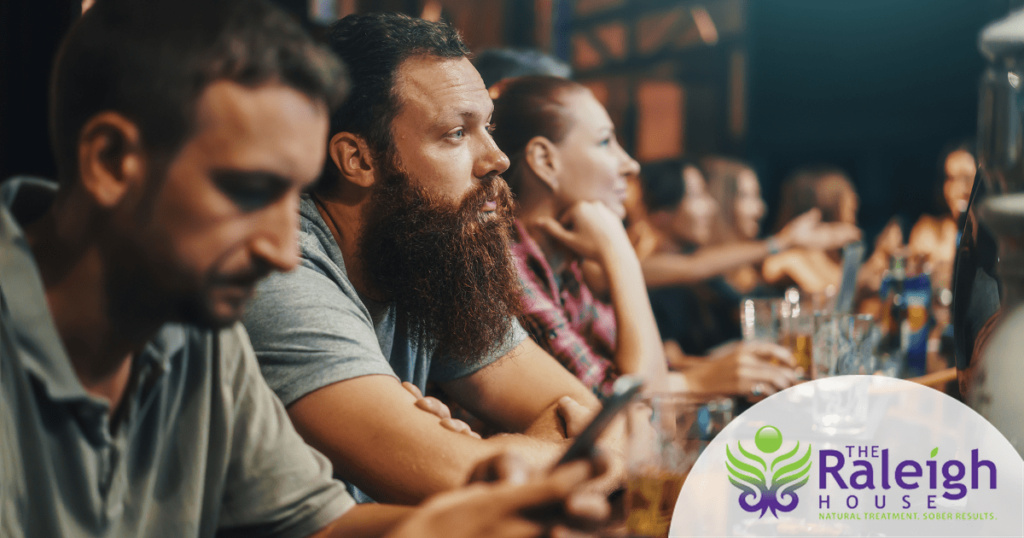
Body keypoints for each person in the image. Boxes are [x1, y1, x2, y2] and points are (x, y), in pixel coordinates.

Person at [0, 1, 608, 536]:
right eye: (251, 191)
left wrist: (480, 516)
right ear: (111, 163)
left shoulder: (194, 326)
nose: (282, 252)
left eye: (291, 198)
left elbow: (320, 524)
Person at [242, 13, 617, 506]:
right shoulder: (280, 271)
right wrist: (483, 454)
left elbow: (600, 421)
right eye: (456, 133)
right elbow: (449, 477)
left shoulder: (423, 252)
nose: (498, 159)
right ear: (358, 159)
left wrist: (486, 452)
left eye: (489, 126)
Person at [488, 75, 798, 399]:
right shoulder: (507, 267)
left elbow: (650, 373)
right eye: (606, 142)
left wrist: (705, 373)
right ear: (545, 160)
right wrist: (618, 253)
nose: (631, 165)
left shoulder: (564, 265)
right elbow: (630, 405)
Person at [764, 165, 865, 293]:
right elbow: (829, 292)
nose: (856, 203)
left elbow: (841, 283)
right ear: (828, 208)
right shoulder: (790, 256)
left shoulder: (824, 254)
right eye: (849, 207)